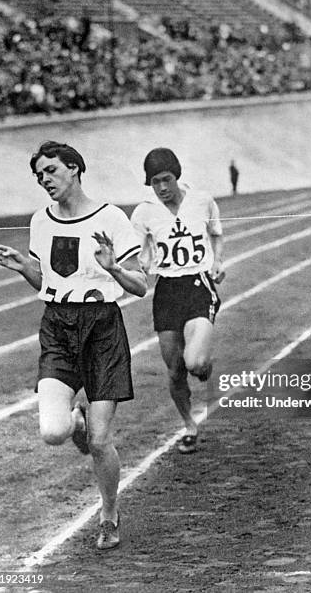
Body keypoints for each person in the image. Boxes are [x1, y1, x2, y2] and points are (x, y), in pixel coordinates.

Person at [0, 141, 147, 550]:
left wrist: (113, 267)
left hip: (102, 330)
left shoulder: (111, 217)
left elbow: (140, 285)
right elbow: (48, 283)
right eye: (39, 175)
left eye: (51, 171)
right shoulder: (41, 220)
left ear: (74, 169)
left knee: (99, 441)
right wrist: (25, 267)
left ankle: (109, 515)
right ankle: (76, 418)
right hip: (57, 328)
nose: (45, 181)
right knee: (54, 432)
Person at [131, 148, 224, 454]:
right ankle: (189, 424)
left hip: (199, 285)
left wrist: (218, 262)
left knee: (195, 361)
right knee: (174, 369)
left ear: (177, 175)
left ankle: (202, 364)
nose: (162, 188)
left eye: (166, 179)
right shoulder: (144, 213)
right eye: (155, 182)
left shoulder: (201, 200)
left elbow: (216, 234)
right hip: (167, 292)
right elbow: (140, 256)